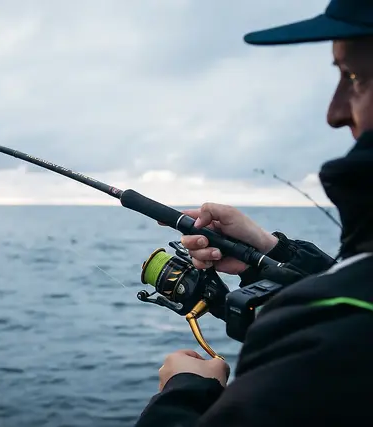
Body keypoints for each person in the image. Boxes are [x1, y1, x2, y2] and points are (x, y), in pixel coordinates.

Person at [135, 1, 373, 425]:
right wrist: (269, 254)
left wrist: (185, 391)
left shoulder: (343, 335)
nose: (335, 113)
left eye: (354, 77)